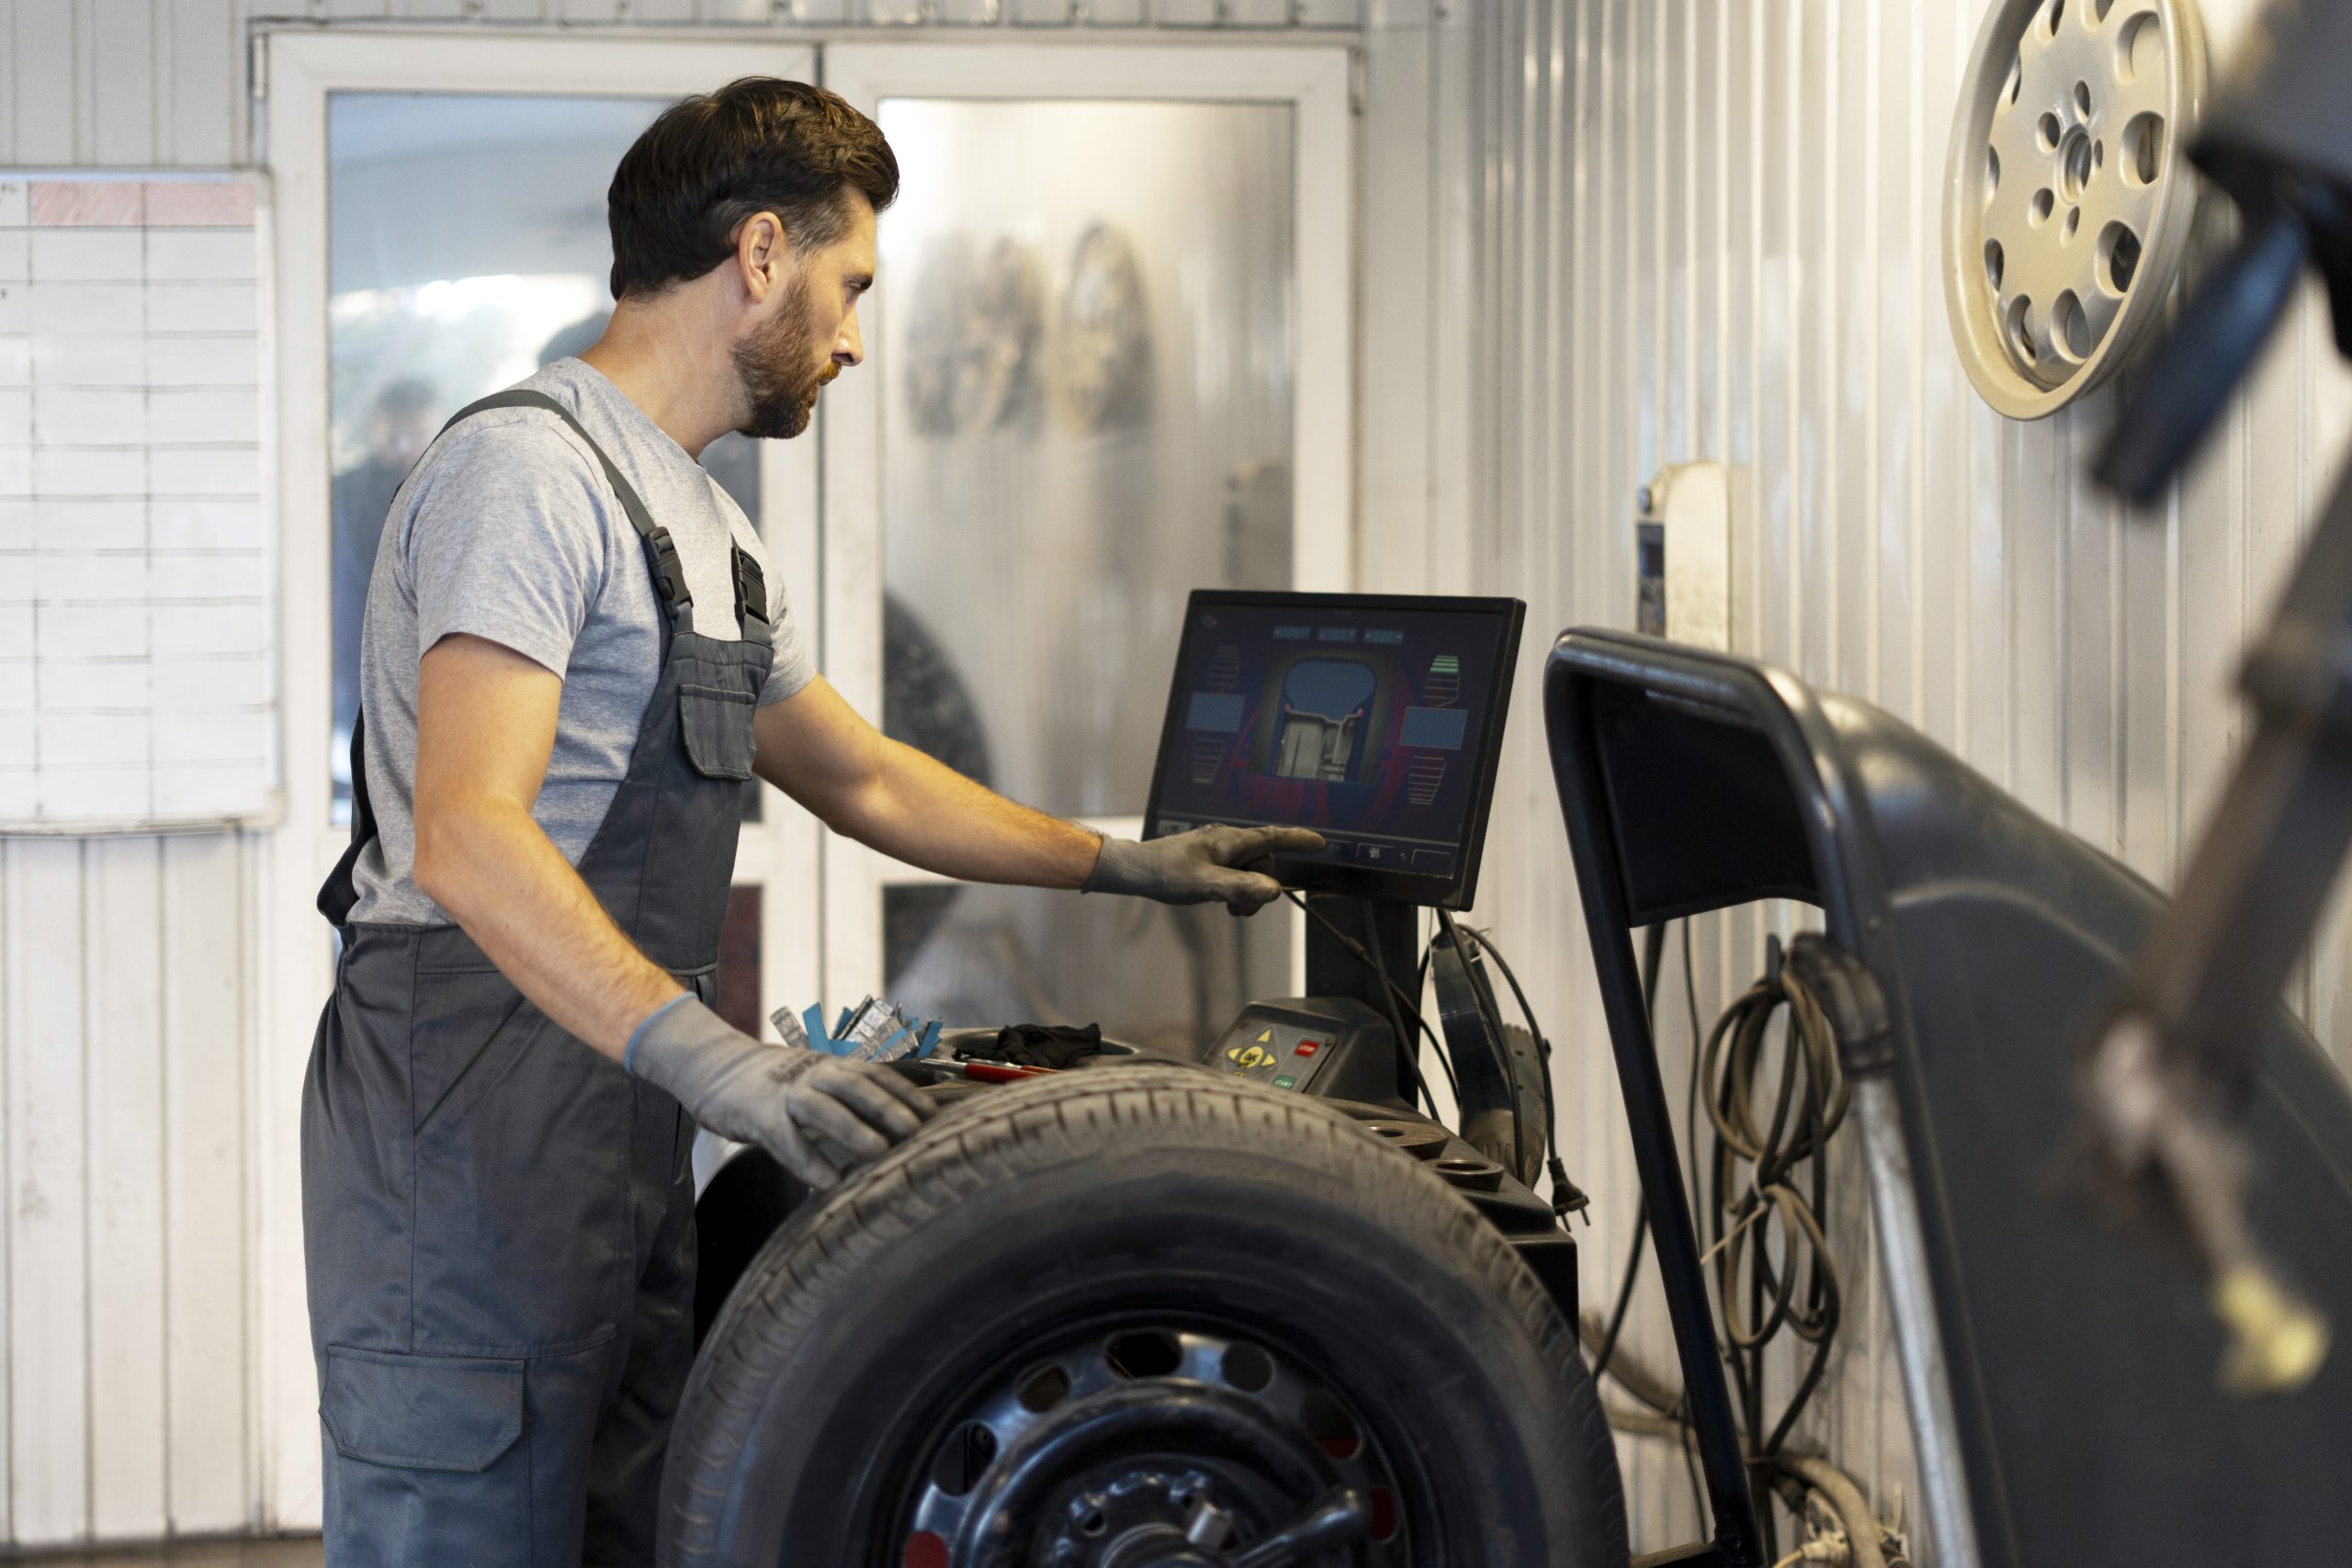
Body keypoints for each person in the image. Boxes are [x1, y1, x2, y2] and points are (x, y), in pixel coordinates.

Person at [300, 77, 1318, 1566]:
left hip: (611, 1117)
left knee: (620, 1516)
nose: (851, 337)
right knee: (469, 1523)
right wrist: (727, 1071)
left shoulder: (706, 526)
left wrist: (1122, 864)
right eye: (849, 287)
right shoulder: (531, 476)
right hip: (468, 1126)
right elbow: (467, 834)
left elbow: (867, 779)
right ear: (761, 254)